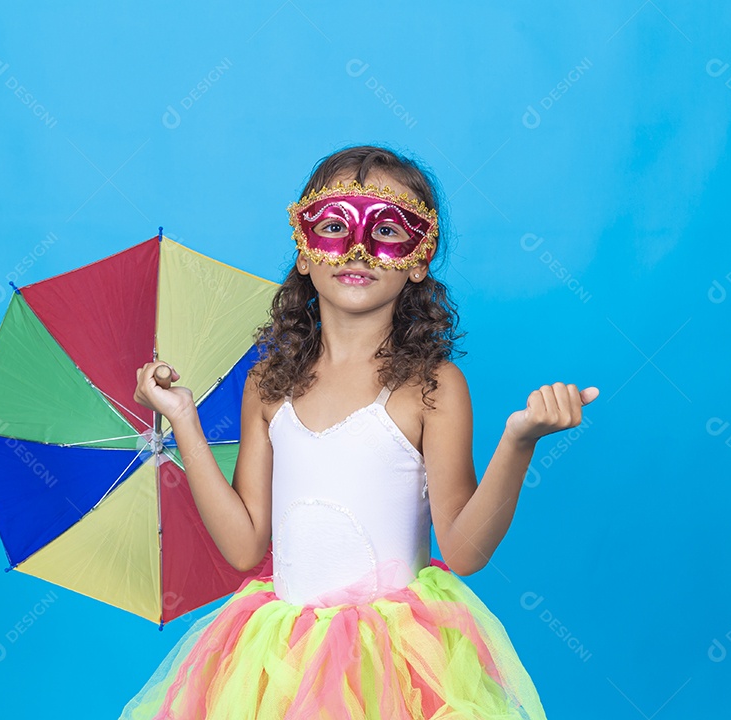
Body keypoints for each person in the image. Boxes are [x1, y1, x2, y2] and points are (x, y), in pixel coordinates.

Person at [123, 144, 598, 718]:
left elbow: (466, 552)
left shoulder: (433, 387)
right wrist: (183, 420)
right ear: (304, 249)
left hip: (396, 664)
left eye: (388, 230)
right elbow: (245, 545)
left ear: (419, 260)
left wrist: (518, 442)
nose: (357, 250)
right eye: (333, 225)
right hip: (283, 662)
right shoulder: (268, 385)